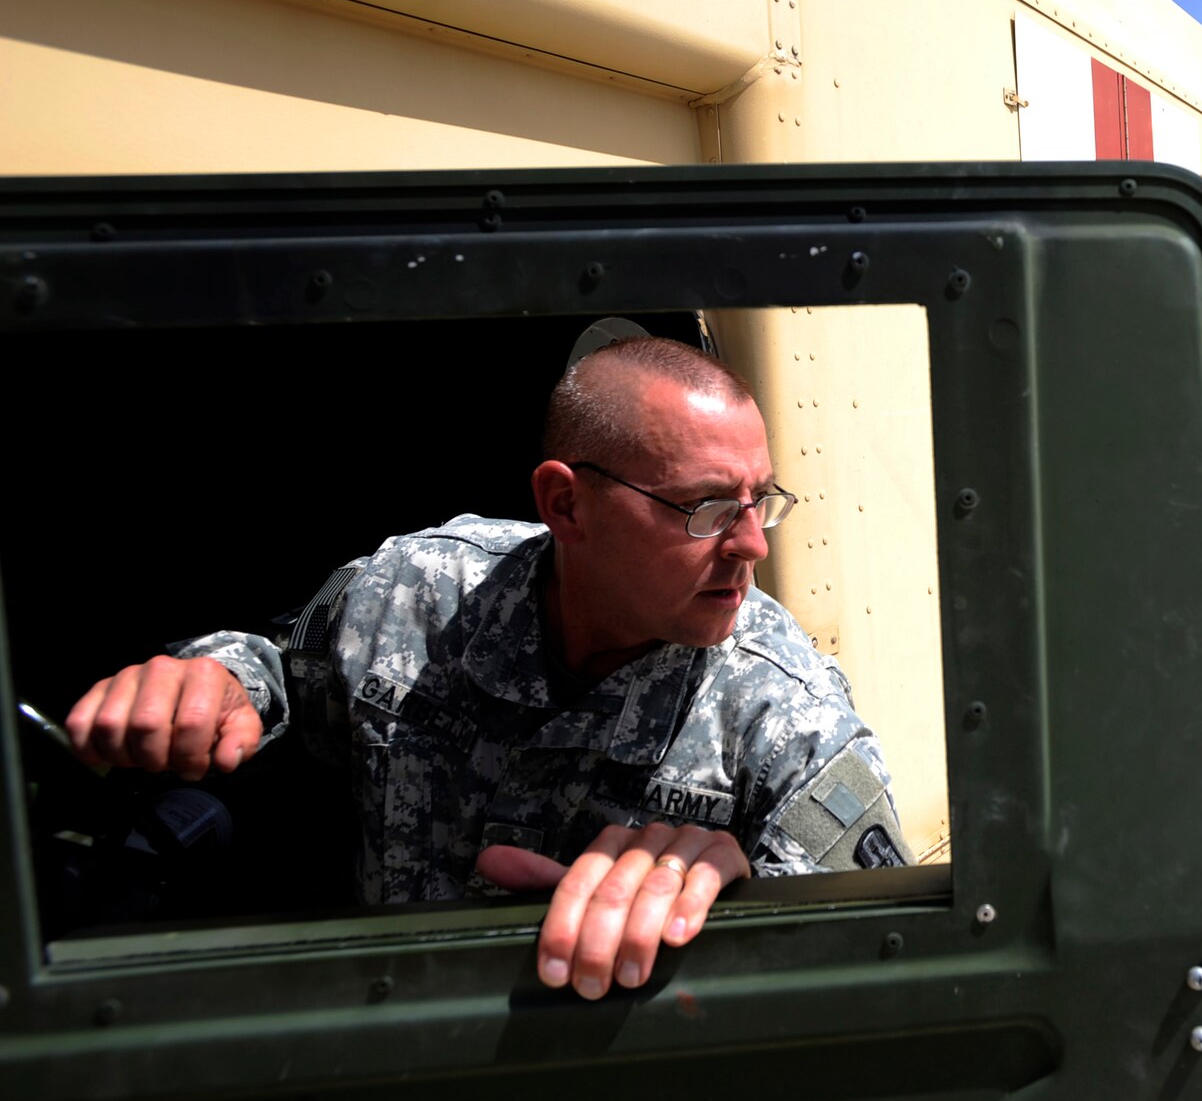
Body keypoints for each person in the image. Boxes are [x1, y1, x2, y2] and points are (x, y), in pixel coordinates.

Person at [63, 336, 911, 1001]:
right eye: (707, 509)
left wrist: (727, 916)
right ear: (565, 504)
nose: (754, 544)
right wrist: (215, 681)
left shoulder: (783, 718)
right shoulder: (413, 594)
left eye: (760, 500)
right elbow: (287, 673)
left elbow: (887, 964)